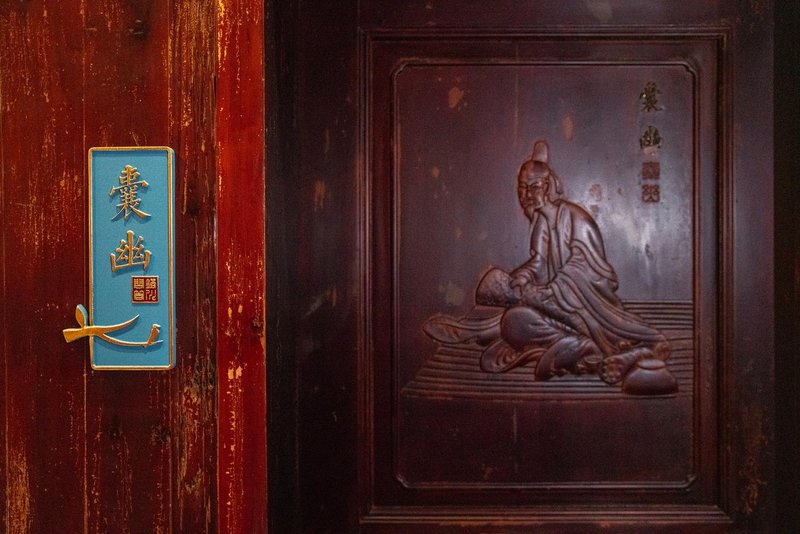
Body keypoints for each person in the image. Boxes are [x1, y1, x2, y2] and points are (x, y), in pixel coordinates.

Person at [424, 140, 674, 391]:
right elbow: (538, 262)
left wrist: (554, 289)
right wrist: (523, 277)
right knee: (513, 321)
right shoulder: (542, 223)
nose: (526, 195)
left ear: (547, 186)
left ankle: (603, 349)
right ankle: (582, 347)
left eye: (532, 187)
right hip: (554, 307)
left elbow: (590, 266)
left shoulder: (576, 218)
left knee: (625, 333)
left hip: (588, 305)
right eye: (522, 188)